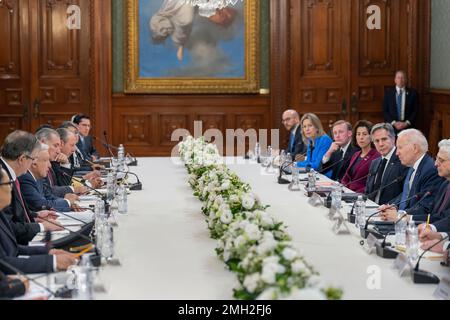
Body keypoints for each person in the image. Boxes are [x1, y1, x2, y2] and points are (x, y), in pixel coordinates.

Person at [0, 168, 78, 275]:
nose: (11, 189)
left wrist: (48, 252)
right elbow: (3, 263)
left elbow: (13, 249)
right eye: (9, 184)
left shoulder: (2, 214)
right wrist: (53, 262)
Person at [0, 131, 63, 245]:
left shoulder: (10, 172)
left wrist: (34, 216)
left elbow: (14, 215)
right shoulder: (3, 178)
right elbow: (8, 227)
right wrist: (41, 226)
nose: (32, 164)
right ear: (22, 159)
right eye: (33, 158)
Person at [379, 129, 444, 221]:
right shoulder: (413, 165)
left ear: (415, 148)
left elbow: (425, 207)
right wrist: (392, 206)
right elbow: (407, 193)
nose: (397, 153)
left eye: (400, 147)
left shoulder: (431, 170)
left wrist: (400, 215)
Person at [18, 143, 79, 213]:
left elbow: (49, 197)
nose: (50, 165)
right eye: (46, 160)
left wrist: (68, 204)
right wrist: (67, 202)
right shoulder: (25, 178)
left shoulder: (38, 177)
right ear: (34, 163)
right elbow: (40, 205)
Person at [365, 123, 409, 204]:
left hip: (389, 210)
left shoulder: (403, 161)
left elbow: (406, 192)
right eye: (377, 141)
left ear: (394, 139)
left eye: (384, 139)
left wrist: (389, 206)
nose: (380, 144)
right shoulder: (374, 163)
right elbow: (368, 191)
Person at [36, 128, 87, 197]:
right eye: (55, 146)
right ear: (42, 143)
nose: (58, 151)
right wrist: (72, 192)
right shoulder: (36, 165)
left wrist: (65, 164)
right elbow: (48, 192)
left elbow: (61, 186)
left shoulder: (53, 162)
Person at [341, 121, 380, 193]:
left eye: (364, 134)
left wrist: (353, 194)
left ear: (372, 137)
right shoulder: (356, 154)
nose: (361, 137)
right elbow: (346, 177)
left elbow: (372, 184)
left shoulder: (376, 156)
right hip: (348, 192)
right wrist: (342, 187)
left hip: (361, 195)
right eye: (358, 134)